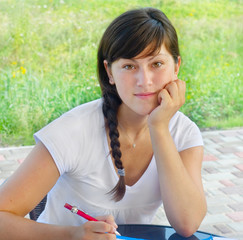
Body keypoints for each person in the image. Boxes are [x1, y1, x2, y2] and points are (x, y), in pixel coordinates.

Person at [0, 7, 207, 240]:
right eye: (129, 66)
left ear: (176, 66)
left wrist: (158, 127)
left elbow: (187, 224)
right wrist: (73, 234)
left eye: (156, 64)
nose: (144, 81)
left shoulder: (184, 133)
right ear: (110, 72)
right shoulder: (74, 130)